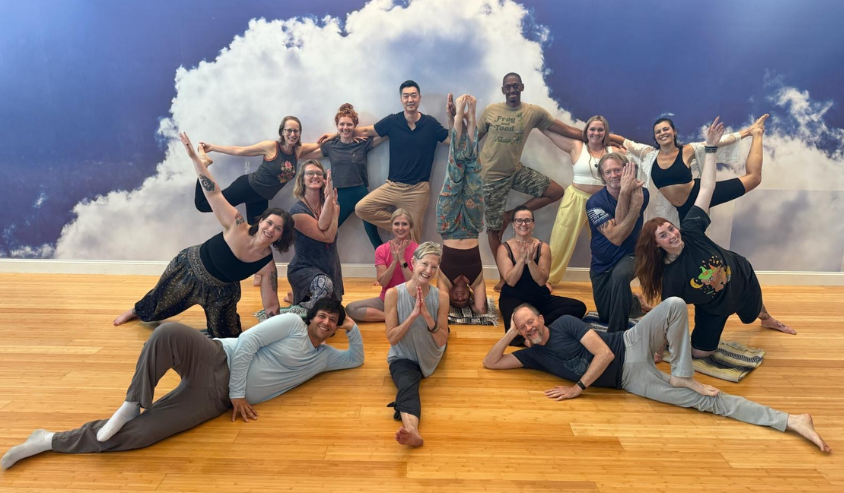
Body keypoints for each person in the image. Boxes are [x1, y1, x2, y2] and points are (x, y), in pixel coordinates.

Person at [1, 299, 365, 470]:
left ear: (336, 327)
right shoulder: (292, 325)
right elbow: (248, 342)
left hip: (214, 400)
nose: (326, 323)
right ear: (311, 317)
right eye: (322, 316)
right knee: (167, 333)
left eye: (332, 321)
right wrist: (238, 394)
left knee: (142, 435)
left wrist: (353, 327)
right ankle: (132, 402)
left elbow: (356, 359)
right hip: (216, 358)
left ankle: (47, 440)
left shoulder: (324, 357)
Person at [482, 300, 831, 453]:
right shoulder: (533, 355)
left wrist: (578, 388)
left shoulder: (564, 324)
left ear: (541, 319)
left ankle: (682, 373)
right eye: (523, 326)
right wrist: (510, 332)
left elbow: (604, 354)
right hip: (630, 379)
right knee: (706, 401)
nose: (529, 327)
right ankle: (790, 420)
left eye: (530, 321)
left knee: (675, 304)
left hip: (629, 342)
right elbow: (491, 363)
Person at [635, 117, 794, 359]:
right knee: (700, 354)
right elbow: (668, 314)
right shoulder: (671, 278)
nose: (673, 235)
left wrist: (717, 145)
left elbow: (707, 188)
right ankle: (721, 324)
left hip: (738, 274)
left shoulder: (691, 228)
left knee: (753, 309)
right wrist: (659, 348)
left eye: (671, 229)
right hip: (713, 306)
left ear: (674, 132)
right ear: (656, 245)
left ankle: (767, 318)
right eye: (664, 235)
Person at [112, 133, 294, 338]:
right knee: (156, 308)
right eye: (269, 223)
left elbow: (270, 304)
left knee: (229, 336)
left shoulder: (267, 265)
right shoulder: (237, 224)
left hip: (221, 292)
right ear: (260, 221)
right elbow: (214, 193)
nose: (270, 230)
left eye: (278, 229)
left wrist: (279, 333)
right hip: (189, 270)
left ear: (281, 236)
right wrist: (195, 160)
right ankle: (134, 311)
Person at [476, 73, 585, 284]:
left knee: (556, 191)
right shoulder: (491, 111)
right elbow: (472, 140)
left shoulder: (533, 112)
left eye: (515, 86)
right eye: (508, 87)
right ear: (503, 90)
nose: (512, 90)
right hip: (491, 178)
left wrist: (598, 136)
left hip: (515, 172)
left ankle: (510, 215)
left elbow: (566, 129)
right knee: (494, 230)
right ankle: (503, 276)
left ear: (522, 87)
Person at [320, 80, 451, 242]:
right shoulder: (392, 121)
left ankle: (408, 236)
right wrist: (336, 134)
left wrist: (455, 118)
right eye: (406, 96)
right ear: (401, 99)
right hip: (392, 186)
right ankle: (404, 225)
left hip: (418, 190)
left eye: (413, 95)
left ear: (419, 98)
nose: (410, 99)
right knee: (362, 208)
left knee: (414, 240)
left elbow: (452, 140)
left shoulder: (430, 124)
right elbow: (365, 130)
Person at [616, 114, 770, 224]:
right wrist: (602, 139)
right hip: (682, 209)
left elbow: (717, 142)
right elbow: (625, 142)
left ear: (674, 132)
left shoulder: (687, 150)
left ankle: (757, 134)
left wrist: (749, 132)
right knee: (690, 245)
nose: (662, 133)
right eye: (658, 131)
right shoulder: (649, 154)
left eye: (666, 129)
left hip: (700, 194)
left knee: (754, 178)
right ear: (655, 137)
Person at [196, 116, 322, 225]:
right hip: (247, 187)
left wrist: (334, 136)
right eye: (289, 130)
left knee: (256, 231)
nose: (293, 134)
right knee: (203, 205)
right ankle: (203, 165)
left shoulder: (298, 150)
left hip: (261, 197)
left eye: (296, 131)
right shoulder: (271, 146)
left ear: (300, 133)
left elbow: (321, 146)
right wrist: (212, 147)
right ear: (282, 132)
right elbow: (240, 151)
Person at [384, 242, 450, 447]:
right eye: (425, 264)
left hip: (432, 352)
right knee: (407, 386)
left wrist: (427, 316)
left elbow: (441, 340)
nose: (429, 271)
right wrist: (413, 315)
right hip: (404, 356)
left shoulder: (442, 296)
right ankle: (412, 431)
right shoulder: (393, 294)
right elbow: (392, 338)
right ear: (413, 262)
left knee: (445, 333)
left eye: (434, 267)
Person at [496, 205, 587, 344]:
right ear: (513, 224)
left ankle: (537, 327)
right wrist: (521, 260)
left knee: (578, 307)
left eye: (527, 220)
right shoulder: (504, 249)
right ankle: (537, 327)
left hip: (539, 297)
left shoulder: (543, 247)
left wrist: (530, 261)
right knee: (512, 328)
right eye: (519, 220)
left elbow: (541, 280)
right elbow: (511, 281)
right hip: (513, 297)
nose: (523, 224)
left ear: (533, 224)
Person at [541, 115, 615, 283]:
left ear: (605, 132)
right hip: (575, 199)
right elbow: (551, 134)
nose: (596, 133)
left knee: (606, 241)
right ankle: (547, 280)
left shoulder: (614, 151)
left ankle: (609, 279)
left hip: (602, 202)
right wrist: (538, 123)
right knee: (561, 240)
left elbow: (634, 151)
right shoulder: (577, 146)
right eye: (592, 129)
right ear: (586, 131)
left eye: (600, 129)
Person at [586, 152, 651, 333]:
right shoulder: (594, 203)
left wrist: (627, 194)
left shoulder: (642, 192)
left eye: (617, 170)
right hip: (602, 262)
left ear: (627, 170)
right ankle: (635, 302)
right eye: (608, 172)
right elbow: (616, 238)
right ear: (603, 176)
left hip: (632, 254)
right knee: (606, 314)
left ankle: (617, 335)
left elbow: (620, 229)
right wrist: (631, 203)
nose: (613, 175)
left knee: (620, 277)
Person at [436, 94, 487, 313]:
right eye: (463, 300)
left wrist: (449, 306)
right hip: (473, 226)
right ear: (469, 295)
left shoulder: (444, 279)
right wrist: (474, 303)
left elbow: (442, 309)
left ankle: (459, 117)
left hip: (448, 225)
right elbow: (481, 310)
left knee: (455, 169)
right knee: (473, 169)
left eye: (455, 300)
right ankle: (472, 117)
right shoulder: (476, 280)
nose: (459, 298)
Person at [320, 103, 387, 249]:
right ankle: (317, 260)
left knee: (373, 235)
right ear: (337, 125)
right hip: (340, 195)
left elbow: (386, 132)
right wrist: (335, 135)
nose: (345, 127)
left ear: (355, 126)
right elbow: (310, 151)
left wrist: (356, 133)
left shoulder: (362, 143)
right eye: (342, 124)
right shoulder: (330, 146)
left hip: (360, 193)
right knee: (327, 234)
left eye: (349, 124)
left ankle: (386, 261)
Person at [287, 160, 344, 310]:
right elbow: (327, 236)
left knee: (335, 313)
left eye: (319, 173)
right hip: (304, 268)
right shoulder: (296, 212)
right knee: (324, 287)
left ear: (324, 179)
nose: (315, 176)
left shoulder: (333, 205)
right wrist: (331, 204)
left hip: (330, 267)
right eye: (310, 173)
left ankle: (295, 298)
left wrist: (331, 204)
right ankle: (299, 311)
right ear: (302, 179)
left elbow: (324, 225)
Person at [346, 209, 418, 322]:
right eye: (396, 224)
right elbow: (383, 282)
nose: (400, 228)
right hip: (387, 300)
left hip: (409, 300)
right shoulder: (381, 250)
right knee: (351, 309)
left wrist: (402, 259)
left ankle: (399, 314)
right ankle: (394, 317)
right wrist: (394, 261)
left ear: (410, 226)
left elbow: (413, 282)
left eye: (404, 224)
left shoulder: (418, 250)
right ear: (391, 226)